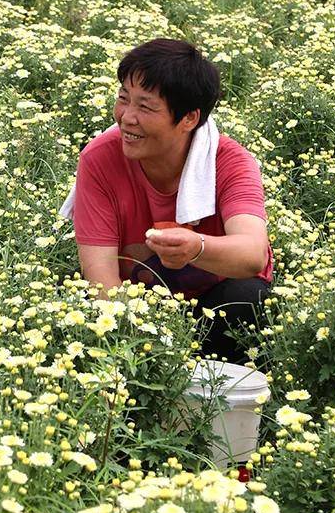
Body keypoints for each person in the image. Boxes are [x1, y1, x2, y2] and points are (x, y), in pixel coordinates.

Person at [68, 39, 273, 364]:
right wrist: (146, 348)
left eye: (145, 107)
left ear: (189, 119)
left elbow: (252, 255)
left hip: (211, 312)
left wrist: (197, 248)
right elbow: (101, 279)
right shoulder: (99, 159)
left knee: (247, 297)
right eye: (123, 98)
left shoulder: (230, 162)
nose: (127, 118)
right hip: (137, 315)